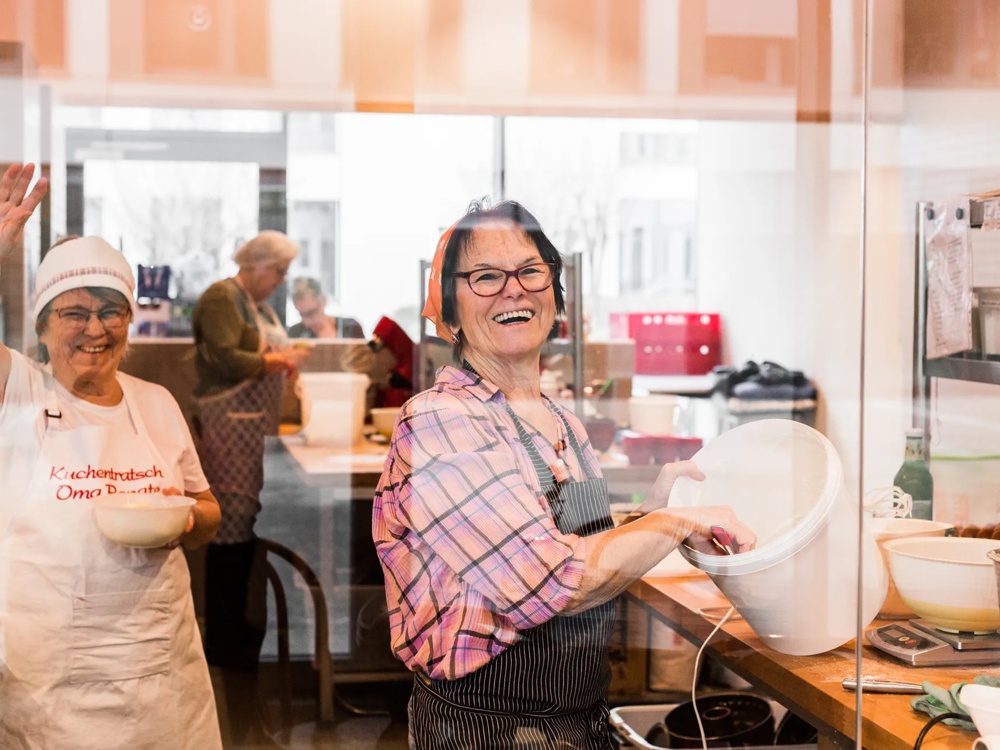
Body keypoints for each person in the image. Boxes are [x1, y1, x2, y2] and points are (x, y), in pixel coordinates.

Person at [372, 199, 756, 749]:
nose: (513, 290)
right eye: (485, 277)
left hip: (579, 719)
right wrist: (672, 524)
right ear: (449, 313)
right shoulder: (440, 420)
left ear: (554, 293)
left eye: (530, 271)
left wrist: (650, 515)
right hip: (488, 727)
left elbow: (577, 554)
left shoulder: (562, 422)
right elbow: (547, 581)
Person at [0, 163, 223, 748]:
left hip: (162, 684)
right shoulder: (18, 391)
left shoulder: (157, 403)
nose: (95, 329)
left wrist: (184, 520)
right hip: (51, 694)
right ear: (43, 327)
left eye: (111, 311)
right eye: (74, 313)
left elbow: (207, 510)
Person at [190, 230, 309, 744]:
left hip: (250, 435)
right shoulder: (222, 297)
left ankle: (239, 635)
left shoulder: (257, 307)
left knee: (243, 534)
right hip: (225, 432)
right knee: (227, 534)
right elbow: (222, 358)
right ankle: (224, 643)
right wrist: (274, 362)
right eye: (278, 272)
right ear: (257, 264)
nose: (280, 281)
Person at [287, 276, 365, 339]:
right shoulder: (295, 334)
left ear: (323, 300)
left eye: (313, 313)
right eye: (303, 315)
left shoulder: (350, 327)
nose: (309, 321)